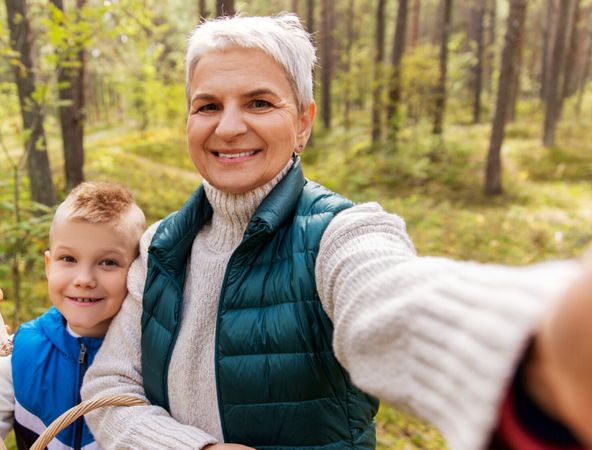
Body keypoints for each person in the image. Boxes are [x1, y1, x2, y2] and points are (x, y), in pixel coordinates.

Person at [80, 14, 592, 450]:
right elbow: (109, 387)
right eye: (208, 105)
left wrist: (539, 336)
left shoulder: (342, 234)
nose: (229, 126)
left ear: (303, 122)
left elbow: (391, 301)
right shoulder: (160, 246)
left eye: (259, 103)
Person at [0, 181, 146, 449]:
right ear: (48, 266)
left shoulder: (154, 359)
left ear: (138, 271)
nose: (84, 279)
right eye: (69, 259)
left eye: (108, 262)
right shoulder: (19, 356)